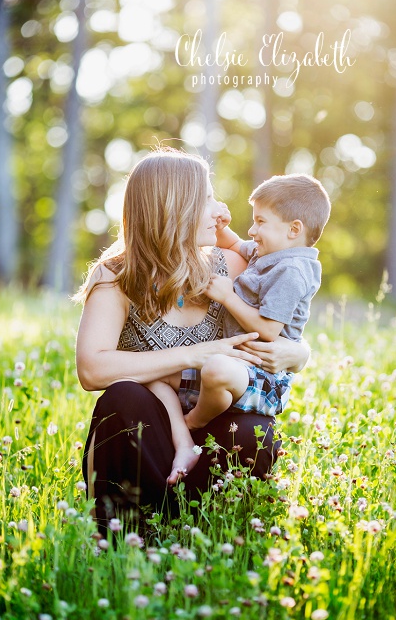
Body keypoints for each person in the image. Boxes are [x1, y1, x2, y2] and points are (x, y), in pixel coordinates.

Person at [75, 148, 310, 534]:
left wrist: (301, 352)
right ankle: (130, 535)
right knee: (123, 399)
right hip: (154, 430)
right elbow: (91, 369)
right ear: (175, 207)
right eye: (207, 198)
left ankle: (210, 535)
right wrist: (197, 354)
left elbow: (284, 320)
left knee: (254, 430)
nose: (219, 209)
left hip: (211, 424)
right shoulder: (116, 277)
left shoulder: (231, 266)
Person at [147, 174, 330, 484]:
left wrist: (228, 296)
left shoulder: (292, 271)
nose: (252, 230)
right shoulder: (270, 253)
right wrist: (219, 226)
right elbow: (232, 243)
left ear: (293, 229)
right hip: (239, 367)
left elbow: (269, 330)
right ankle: (181, 439)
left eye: (260, 221)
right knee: (158, 372)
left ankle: (194, 423)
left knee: (216, 369)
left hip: (263, 376)